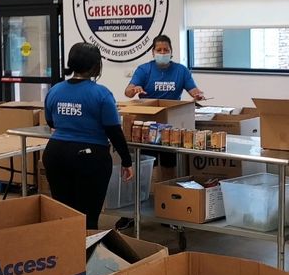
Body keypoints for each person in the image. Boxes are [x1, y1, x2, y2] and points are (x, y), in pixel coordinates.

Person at [115, 35, 205, 230]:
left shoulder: (180, 71)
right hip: (145, 128)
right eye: (159, 50)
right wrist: (135, 89)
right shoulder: (144, 70)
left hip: (169, 128)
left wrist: (198, 94)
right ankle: (132, 211)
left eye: (166, 50)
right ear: (153, 52)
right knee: (143, 167)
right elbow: (128, 91)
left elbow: (193, 90)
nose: (162, 53)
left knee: (168, 167)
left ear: (171, 51)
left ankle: (167, 208)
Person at [43, 42, 134, 230]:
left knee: (64, 214)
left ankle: (65, 253)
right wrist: (126, 161)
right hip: (90, 158)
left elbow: (51, 122)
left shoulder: (55, 90)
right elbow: (114, 131)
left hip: (55, 154)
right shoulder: (101, 94)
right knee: (88, 217)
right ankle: (86, 256)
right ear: (95, 66)